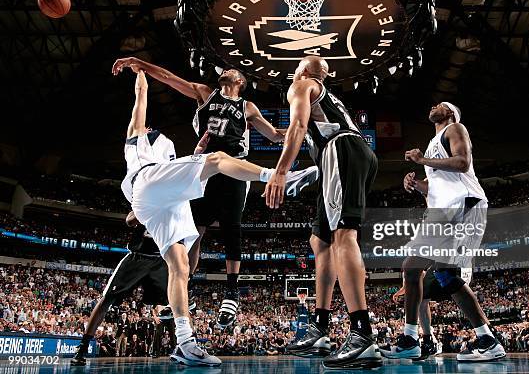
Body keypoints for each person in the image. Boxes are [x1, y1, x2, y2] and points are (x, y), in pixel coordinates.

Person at [115, 68, 318, 366]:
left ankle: (184, 341)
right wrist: (141, 72)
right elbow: (143, 99)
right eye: (148, 128)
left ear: (241, 83)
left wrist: (304, 129)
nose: (150, 129)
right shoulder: (139, 138)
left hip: (162, 197)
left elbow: (274, 134)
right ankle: (278, 178)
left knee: (179, 265)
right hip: (151, 183)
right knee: (218, 160)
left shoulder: (241, 110)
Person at [267, 56, 381, 369]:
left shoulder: (301, 84)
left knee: (344, 236)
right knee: (321, 241)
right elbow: (308, 129)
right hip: (345, 153)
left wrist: (280, 171)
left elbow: (299, 126)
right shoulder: (328, 97)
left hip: (340, 152)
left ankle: (362, 334)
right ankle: (319, 329)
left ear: (304, 71)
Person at [385, 102, 505, 362]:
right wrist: (416, 184)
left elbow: (462, 163)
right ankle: (411, 339)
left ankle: (487, 340)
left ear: (450, 112)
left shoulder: (455, 128)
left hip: (465, 204)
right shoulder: (433, 142)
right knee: (414, 267)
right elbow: (437, 185)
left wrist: (422, 160)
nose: (432, 106)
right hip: (444, 210)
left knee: (443, 272)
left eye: (440, 105)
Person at [70, 218, 170, 366]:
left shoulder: (176, 203)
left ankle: (184, 346)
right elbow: (130, 220)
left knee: (173, 304)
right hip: (137, 257)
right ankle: (82, 347)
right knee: (106, 300)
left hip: (161, 261)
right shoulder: (146, 198)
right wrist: (146, 209)